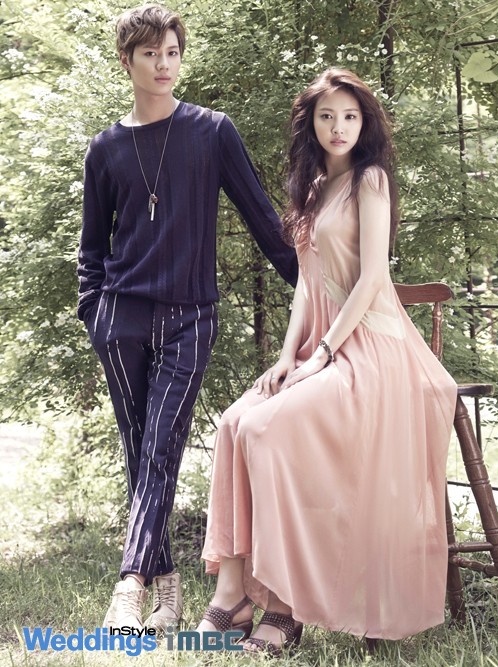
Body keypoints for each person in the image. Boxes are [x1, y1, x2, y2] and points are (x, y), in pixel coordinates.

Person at [197, 67, 457, 654]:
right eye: (327, 116)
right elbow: (307, 287)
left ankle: (285, 607)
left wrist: (323, 353)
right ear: (310, 124)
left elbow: (371, 279)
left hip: (371, 349)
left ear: (364, 123)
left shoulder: (371, 180)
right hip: (320, 344)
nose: (339, 126)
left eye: (350, 116)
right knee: (235, 422)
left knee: (266, 429)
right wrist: (287, 356)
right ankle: (233, 594)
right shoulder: (313, 189)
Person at [76, 4, 298, 632]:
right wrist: (94, 311)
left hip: (190, 318)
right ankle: (168, 593)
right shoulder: (106, 149)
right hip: (121, 317)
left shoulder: (211, 131)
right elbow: (91, 249)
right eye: (150, 54)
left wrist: (326, 289)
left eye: (172, 52)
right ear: (128, 61)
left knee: (160, 443)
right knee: (142, 452)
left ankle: (131, 582)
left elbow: (264, 221)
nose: (164, 64)